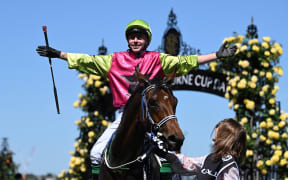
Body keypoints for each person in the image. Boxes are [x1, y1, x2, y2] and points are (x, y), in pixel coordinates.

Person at [36, 19, 237, 168]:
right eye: (132, 37)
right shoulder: (114, 60)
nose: (135, 40)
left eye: (139, 37)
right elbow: (88, 61)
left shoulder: (159, 59)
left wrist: (216, 55)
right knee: (96, 154)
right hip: (126, 115)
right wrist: (59, 54)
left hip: (152, 117)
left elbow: (186, 62)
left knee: (167, 156)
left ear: (147, 40)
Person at [155, 118, 247, 180]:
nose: (213, 140)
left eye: (216, 139)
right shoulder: (209, 159)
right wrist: (162, 153)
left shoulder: (229, 164)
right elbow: (186, 164)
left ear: (225, 139)